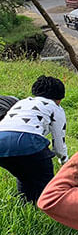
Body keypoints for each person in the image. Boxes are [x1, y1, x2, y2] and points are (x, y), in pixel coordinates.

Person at [0, 76, 67, 204]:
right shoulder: (55, 108)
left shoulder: (21, 102)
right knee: (46, 182)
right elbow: (59, 143)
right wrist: (65, 162)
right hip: (27, 140)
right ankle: (51, 212)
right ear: (59, 98)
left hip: (1, 142)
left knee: (24, 174)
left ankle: (27, 206)